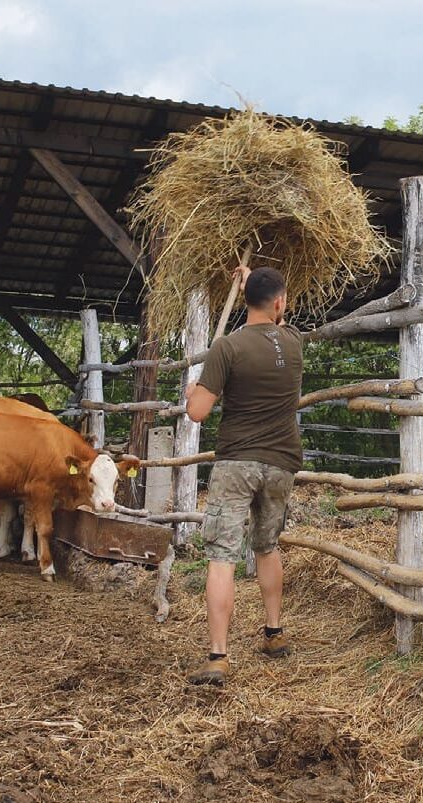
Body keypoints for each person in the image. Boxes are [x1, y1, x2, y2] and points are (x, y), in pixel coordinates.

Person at [185, 266, 304, 685]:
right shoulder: (294, 343)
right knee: (267, 547)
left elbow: (198, 412)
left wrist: (191, 393)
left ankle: (218, 656)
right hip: (281, 463)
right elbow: (278, 321)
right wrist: (257, 281)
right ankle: (274, 633)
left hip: (237, 463)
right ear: (279, 303)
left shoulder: (227, 348)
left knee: (222, 557)